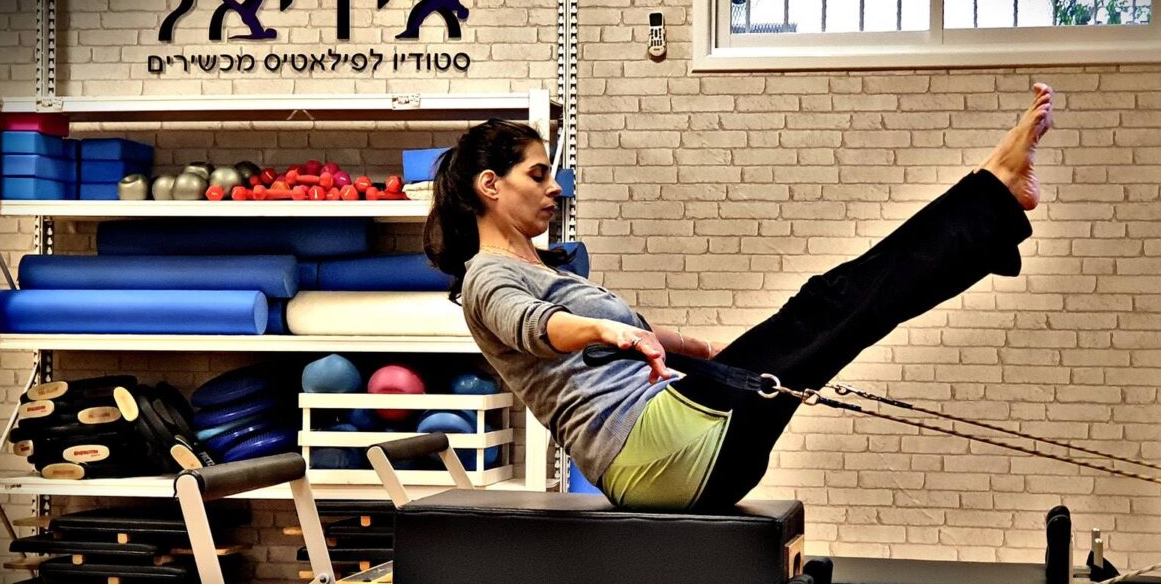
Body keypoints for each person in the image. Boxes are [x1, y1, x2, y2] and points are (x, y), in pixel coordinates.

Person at [425, 84, 1053, 511]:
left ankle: (989, 221)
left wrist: (708, 348)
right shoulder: (487, 278)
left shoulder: (543, 266)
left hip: (680, 439)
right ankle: (994, 188)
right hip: (660, 451)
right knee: (833, 304)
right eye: (537, 175)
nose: (554, 188)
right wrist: (604, 330)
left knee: (843, 313)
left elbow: (635, 336)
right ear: (490, 186)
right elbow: (539, 327)